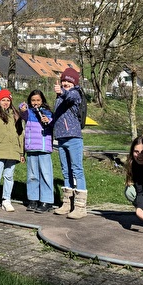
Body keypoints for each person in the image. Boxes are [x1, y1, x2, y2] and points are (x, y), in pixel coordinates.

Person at [52, 68, 88, 219]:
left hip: (73, 137)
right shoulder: (59, 98)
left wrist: (62, 92)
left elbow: (70, 97)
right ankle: (67, 203)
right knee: (65, 170)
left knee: (77, 170)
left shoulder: (75, 93)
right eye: (64, 80)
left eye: (69, 81)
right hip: (61, 138)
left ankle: (80, 207)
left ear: (74, 83)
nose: (66, 83)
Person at [19, 90, 54, 213]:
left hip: (44, 148)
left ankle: (47, 200)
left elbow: (52, 123)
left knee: (45, 174)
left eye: (38, 100)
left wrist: (48, 121)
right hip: (31, 148)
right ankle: (33, 199)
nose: (36, 103)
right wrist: (22, 108)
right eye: (33, 100)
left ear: (42, 101)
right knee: (32, 175)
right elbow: (22, 113)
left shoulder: (48, 113)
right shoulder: (28, 113)